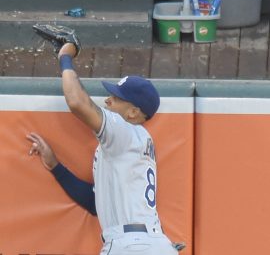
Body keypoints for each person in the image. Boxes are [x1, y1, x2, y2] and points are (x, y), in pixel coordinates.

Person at [27, 43, 181, 255]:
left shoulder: (125, 131)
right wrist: (55, 166)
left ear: (133, 113)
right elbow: (94, 203)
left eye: (117, 98)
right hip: (156, 244)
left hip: (131, 245)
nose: (108, 100)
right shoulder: (131, 143)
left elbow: (77, 103)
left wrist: (65, 57)